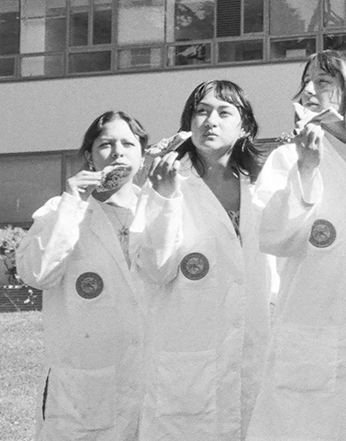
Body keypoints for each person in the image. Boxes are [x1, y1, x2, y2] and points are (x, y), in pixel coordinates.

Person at [246, 51, 346, 441]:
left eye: (324, 81)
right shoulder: (287, 158)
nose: (309, 90)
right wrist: (307, 168)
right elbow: (272, 236)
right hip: (307, 348)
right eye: (306, 81)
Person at [135, 80, 273, 441]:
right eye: (201, 111)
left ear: (245, 127)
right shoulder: (165, 182)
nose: (210, 120)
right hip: (188, 362)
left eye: (224, 112)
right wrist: (164, 199)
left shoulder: (264, 184)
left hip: (255, 352)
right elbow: (154, 268)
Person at [17, 110, 149, 441]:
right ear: (89, 156)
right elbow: (37, 273)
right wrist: (72, 203)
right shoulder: (58, 211)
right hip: (84, 392)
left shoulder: (160, 209)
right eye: (106, 144)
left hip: (150, 383)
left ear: (142, 157)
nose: (118, 151)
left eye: (128, 144)